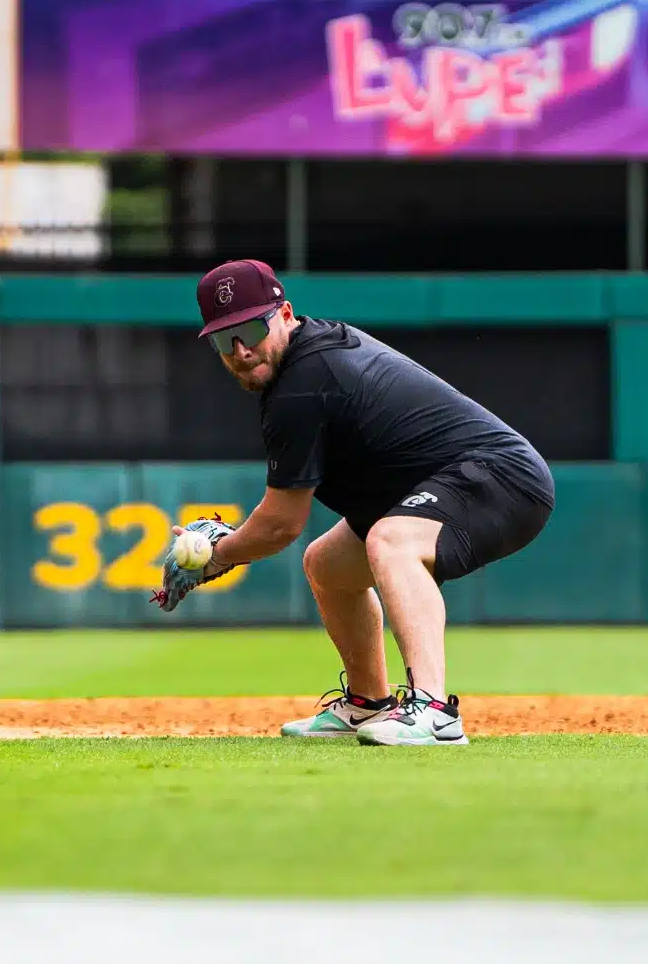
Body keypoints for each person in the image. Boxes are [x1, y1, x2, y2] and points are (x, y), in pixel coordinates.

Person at [174, 258, 555, 747]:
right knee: (328, 564)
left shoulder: (302, 383)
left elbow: (280, 525)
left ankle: (434, 712)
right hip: (448, 479)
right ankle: (367, 703)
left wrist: (218, 555)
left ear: (285, 314)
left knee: (392, 541)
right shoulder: (302, 361)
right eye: (225, 340)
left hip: (501, 476)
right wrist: (226, 547)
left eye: (251, 327)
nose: (242, 349)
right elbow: (287, 529)